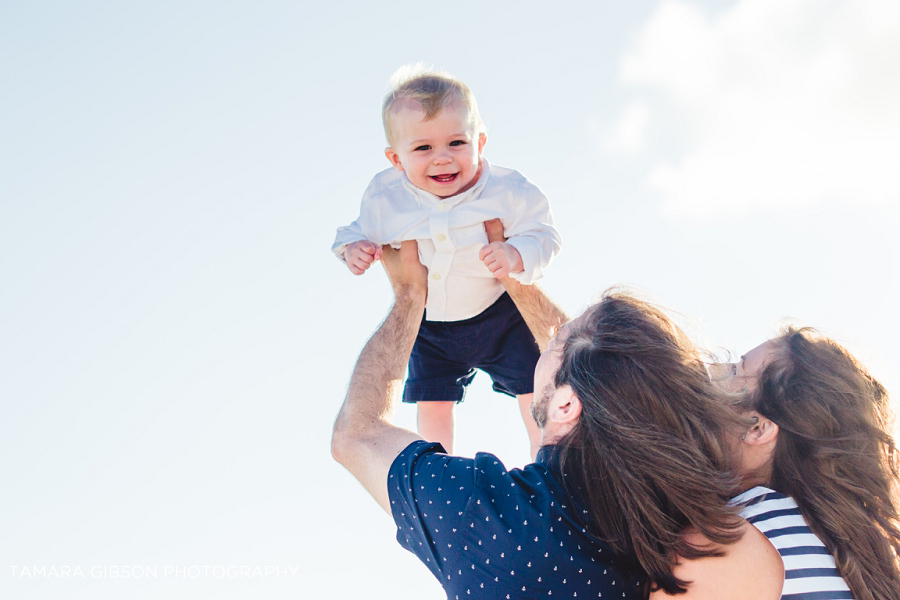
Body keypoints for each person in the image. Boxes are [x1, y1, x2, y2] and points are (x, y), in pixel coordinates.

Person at [331, 238, 782, 600]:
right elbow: (607, 380)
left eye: (547, 349)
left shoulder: (482, 509)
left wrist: (409, 297)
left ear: (567, 406)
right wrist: (515, 283)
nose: (539, 349)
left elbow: (357, 435)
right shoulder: (694, 535)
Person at [332, 66, 562, 456]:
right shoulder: (386, 198)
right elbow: (353, 231)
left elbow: (545, 235)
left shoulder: (507, 191)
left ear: (481, 143)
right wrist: (353, 250)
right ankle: (441, 464)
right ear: (396, 159)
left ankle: (547, 456)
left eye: (457, 143)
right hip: (432, 327)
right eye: (423, 149)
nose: (442, 159)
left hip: (499, 315)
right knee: (433, 402)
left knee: (535, 386)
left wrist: (515, 253)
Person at [711, 330, 900, 600]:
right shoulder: (844, 550)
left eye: (733, 371)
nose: (711, 371)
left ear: (757, 429)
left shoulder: (729, 538)